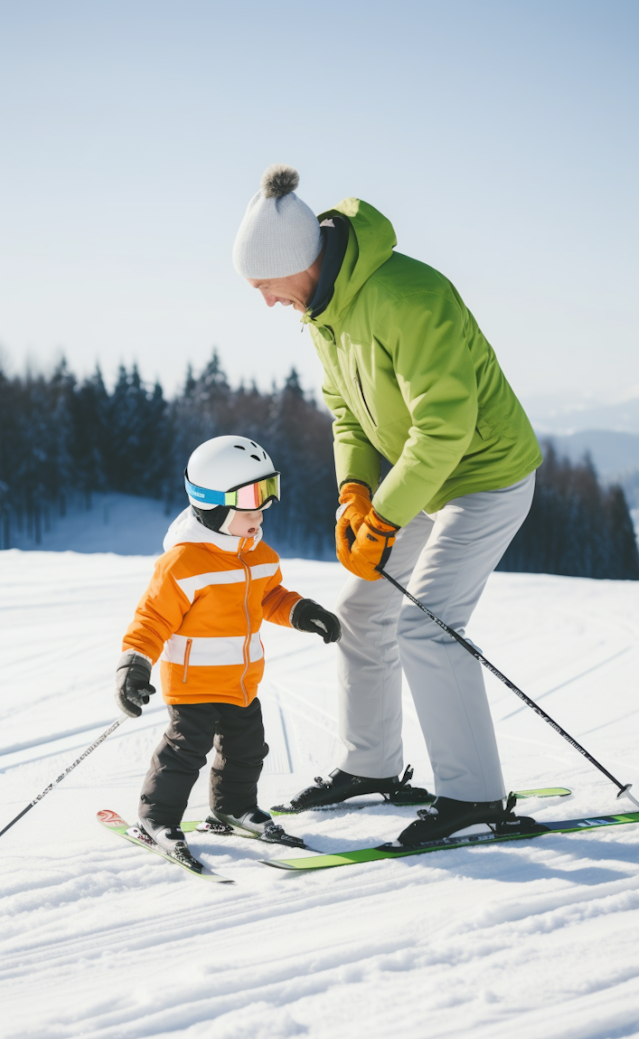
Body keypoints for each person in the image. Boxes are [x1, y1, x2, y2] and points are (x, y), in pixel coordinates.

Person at [232, 165, 543, 845]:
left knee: (428, 626)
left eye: (264, 288)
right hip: (420, 478)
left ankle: (475, 796)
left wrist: (386, 515)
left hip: (485, 474)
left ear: (295, 264)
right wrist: (355, 492)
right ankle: (370, 765)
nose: (266, 303)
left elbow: (445, 427)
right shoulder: (325, 314)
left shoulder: (408, 295)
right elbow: (347, 414)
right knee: (361, 611)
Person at [115, 434, 341, 858]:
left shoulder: (259, 555)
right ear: (213, 503)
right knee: (185, 754)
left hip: (241, 683)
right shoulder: (182, 564)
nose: (262, 512)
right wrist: (134, 666)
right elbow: (152, 620)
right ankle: (156, 818)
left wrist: (302, 611)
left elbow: (270, 596)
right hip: (194, 683)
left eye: (268, 495)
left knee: (248, 750)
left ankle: (233, 808)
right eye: (252, 502)